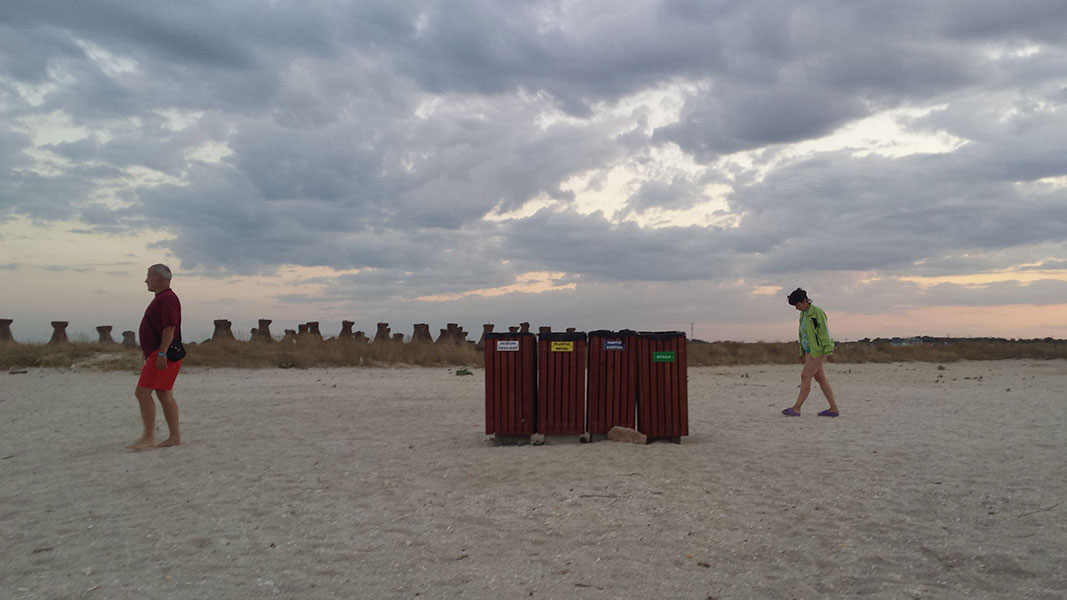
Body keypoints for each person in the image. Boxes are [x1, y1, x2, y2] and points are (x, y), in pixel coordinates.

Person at [127, 264, 183, 449]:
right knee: (164, 393)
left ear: (158, 279)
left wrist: (161, 353)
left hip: (163, 354)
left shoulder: (167, 299)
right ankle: (174, 437)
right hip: (159, 352)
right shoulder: (162, 298)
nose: (146, 280)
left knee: (142, 392)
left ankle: (149, 438)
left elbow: (169, 328)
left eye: (148, 276)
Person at [782, 288, 839, 417]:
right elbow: (803, 335)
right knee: (821, 379)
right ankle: (833, 409)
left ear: (804, 301)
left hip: (818, 351)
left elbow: (824, 333)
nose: (797, 308)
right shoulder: (802, 315)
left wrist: (829, 351)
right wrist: (801, 352)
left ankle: (796, 408)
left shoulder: (817, 313)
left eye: (797, 305)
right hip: (809, 352)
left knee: (805, 376)